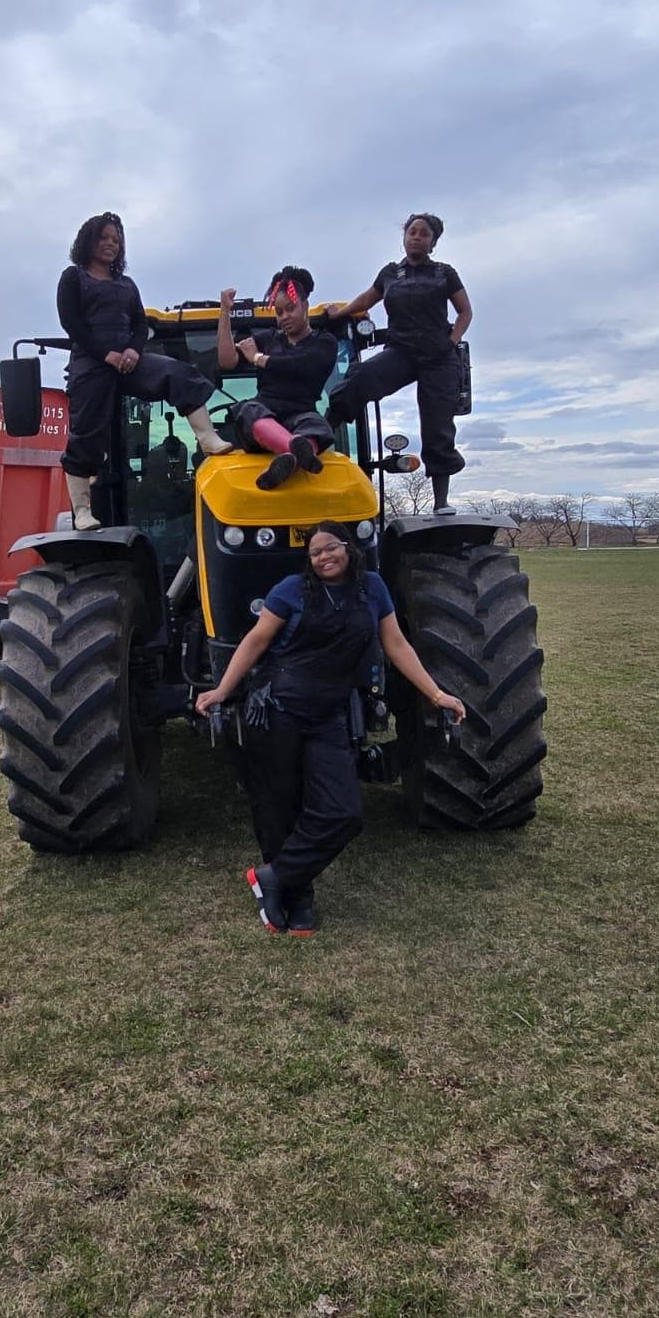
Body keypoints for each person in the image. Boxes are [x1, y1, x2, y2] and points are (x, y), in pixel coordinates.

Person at [194, 521, 466, 935]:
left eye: (330, 547)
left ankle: (275, 877)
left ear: (348, 547)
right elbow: (255, 642)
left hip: (328, 715)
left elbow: (396, 645)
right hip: (277, 710)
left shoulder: (372, 587)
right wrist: (221, 690)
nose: (324, 556)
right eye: (315, 552)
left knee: (344, 812)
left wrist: (436, 694)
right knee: (278, 806)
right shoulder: (290, 589)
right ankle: (296, 895)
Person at [57, 212, 232, 530]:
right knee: (87, 428)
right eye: (104, 238)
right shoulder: (73, 277)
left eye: (116, 239)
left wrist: (134, 351)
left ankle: (207, 438)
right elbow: (71, 323)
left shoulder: (127, 284)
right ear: (88, 241)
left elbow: (140, 322)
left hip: (128, 360)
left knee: (179, 373)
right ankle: (82, 510)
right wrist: (105, 354)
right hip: (91, 362)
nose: (111, 244)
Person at [325, 212, 472, 513]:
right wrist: (338, 314)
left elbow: (465, 312)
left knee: (437, 425)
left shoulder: (445, 273)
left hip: (438, 358)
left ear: (433, 242)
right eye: (412, 232)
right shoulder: (390, 273)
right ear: (404, 237)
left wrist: (451, 342)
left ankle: (441, 501)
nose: (416, 237)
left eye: (424, 234)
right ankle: (325, 429)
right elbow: (366, 300)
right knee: (362, 375)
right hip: (402, 351)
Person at [215, 267, 338, 490]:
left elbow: (302, 365)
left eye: (290, 309)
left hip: (301, 413)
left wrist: (259, 358)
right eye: (279, 312)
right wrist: (224, 312)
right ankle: (293, 449)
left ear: (305, 305)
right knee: (249, 410)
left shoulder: (325, 343)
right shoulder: (269, 339)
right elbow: (227, 360)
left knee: (318, 425)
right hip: (265, 416)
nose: (284, 317)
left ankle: (290, 458)